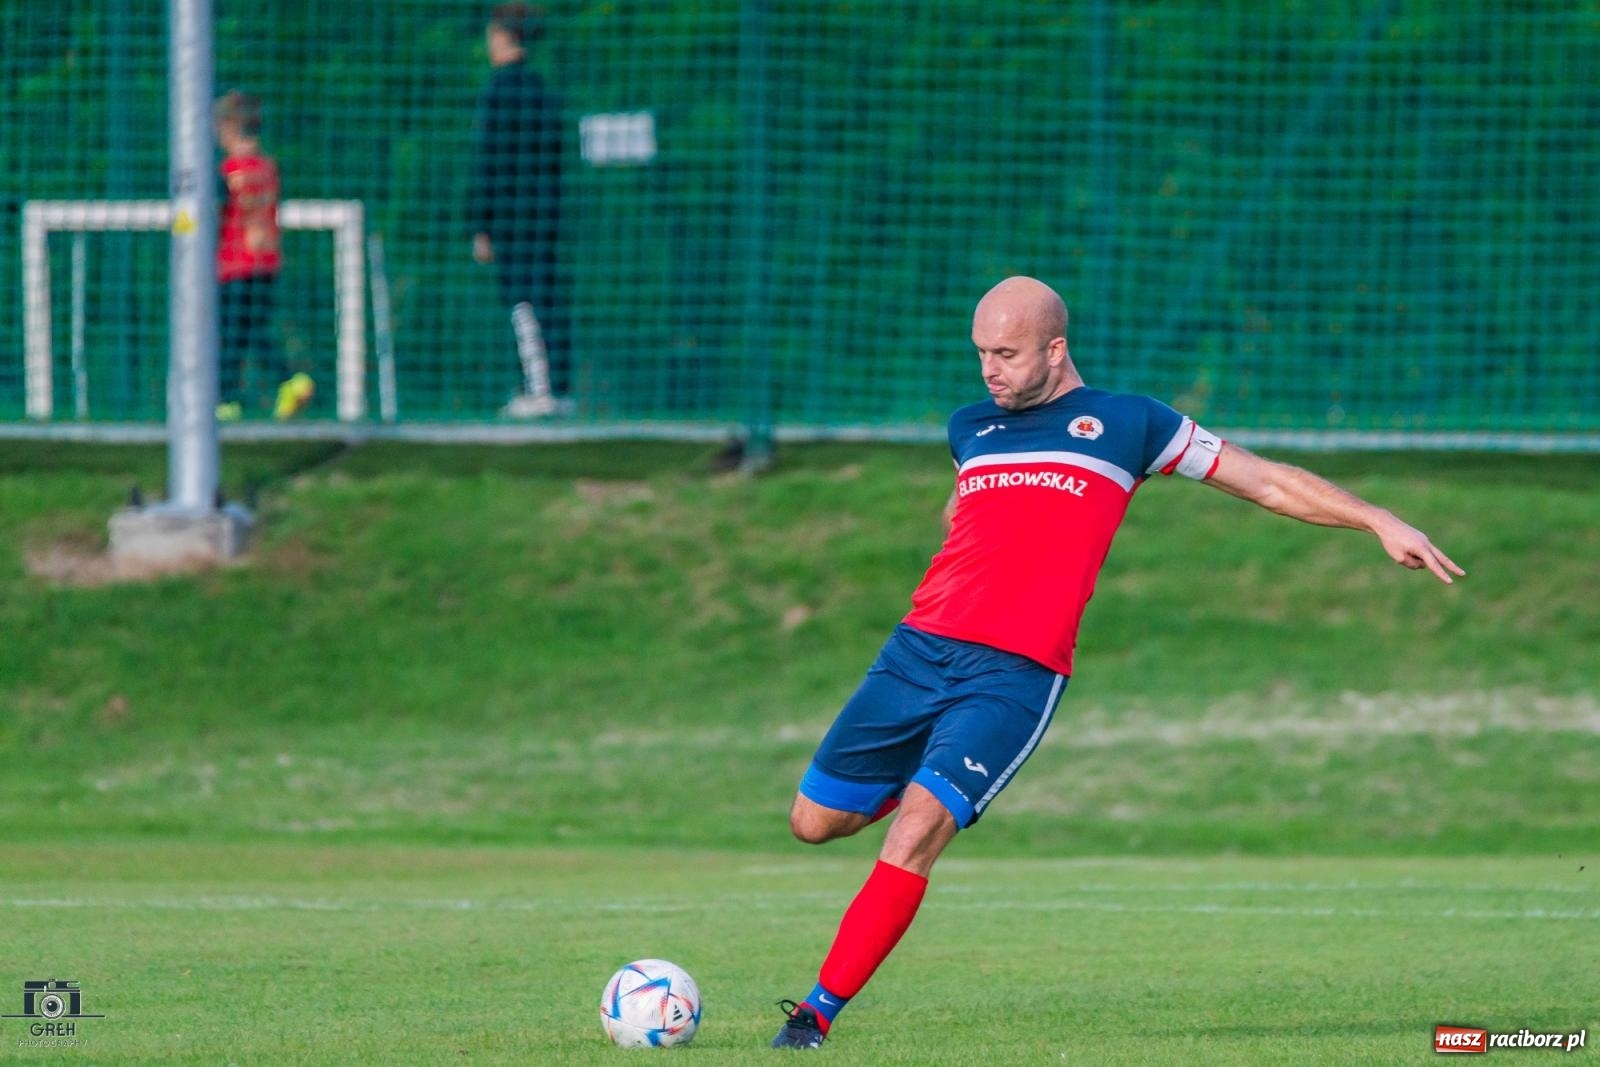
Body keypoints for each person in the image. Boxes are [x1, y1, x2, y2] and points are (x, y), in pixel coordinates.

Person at [769, 276, 1465, 1050]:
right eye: (980, 354)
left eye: (1006, 353)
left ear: (1055, 349)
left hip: (1014, 673)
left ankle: (814, 1015)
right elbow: (966, 512)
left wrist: (1375, 518)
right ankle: (929, 776)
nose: (989, 370)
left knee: (919, 830)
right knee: (813, 821)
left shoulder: (1131, 423)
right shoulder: (972, 427)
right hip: (916, 651)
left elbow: (1263, 480)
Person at [470, 2, 569, 418]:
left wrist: (480, 223)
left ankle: (540, 389)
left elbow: (487, 161)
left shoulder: (497, 92)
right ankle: (558, 387)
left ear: (505, 36)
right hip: (544, 212)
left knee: (522, 300)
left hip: (510, 215)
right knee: (547, 295)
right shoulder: (543, 90)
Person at [214, 90, 312, 421]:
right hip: (267, 261)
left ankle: (230, 400)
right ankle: (276, 386)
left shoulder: (227, 171)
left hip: (235, 263)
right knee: (251, 330)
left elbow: (217, 215)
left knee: (232, 332)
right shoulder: (268, 167)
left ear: (228, 127)